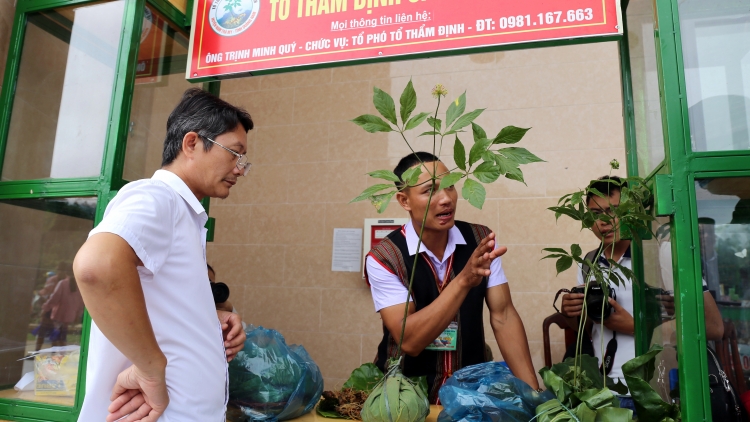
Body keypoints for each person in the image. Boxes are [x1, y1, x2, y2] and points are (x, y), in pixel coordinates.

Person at [73, 88, 252, 422]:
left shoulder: (184, 213)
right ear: (191, 144)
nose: (240, 169)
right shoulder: (157, 197)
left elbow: (160, 302)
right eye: (234, 153)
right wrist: (150, 368)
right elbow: (97, 266)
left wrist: (209, 318)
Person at [365, 152, 540, 403]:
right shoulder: (384, 257)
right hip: (406, 396)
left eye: (450, 186)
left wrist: (534, 395)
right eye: (430, 191)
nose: (446, 199)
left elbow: (504, 316)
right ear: (405, 200)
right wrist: (463, 280)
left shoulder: (480, 240)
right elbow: (409, 340)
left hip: (470, 393)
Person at [559, 176, 724, 414]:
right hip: (602, 392)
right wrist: (570, 313)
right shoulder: (588, 262)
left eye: (612, 211)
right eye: (595, 214)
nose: (603, 222)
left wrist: (639, 326)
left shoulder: (662, 253)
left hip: (655, 391)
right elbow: (587, 331)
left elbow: (714, 327)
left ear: (631, 212)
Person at [42, 263, 84, 346]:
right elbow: (81, 303)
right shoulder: (80, 286)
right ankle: (61, 355)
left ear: (66, 273)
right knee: (62, 336)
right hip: (70, 316)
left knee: (55, 336)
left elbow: (54, 298)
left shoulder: (63, 283)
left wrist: (45, 308)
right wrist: (78, 314)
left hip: (59, 315)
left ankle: (55, 355)